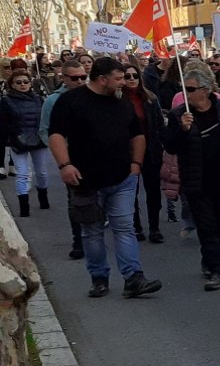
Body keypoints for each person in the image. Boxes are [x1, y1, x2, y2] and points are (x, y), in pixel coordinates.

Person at [47, 57, 162, 298]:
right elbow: (56, 134)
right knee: (92, 232)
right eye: (119, 78)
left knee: (124, 227)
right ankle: (99, 277)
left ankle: (133, 278)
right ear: (102, 79)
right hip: (85, 181)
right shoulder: (71, 101)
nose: (124, 83)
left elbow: (137, 135)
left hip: (122, 178)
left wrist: (136, 164)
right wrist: (64, 165)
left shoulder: (122, 103)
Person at [164, 63, 220, 291]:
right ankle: (218, 271)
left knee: (219, 223)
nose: (186, 94)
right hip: (197, 181)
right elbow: (170, 146)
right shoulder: (179, 114)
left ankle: (209, 259)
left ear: (205, 90)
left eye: (191, 89)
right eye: (184, 89)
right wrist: (182, 130)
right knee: (206, 226)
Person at [42, 61, 88, 257]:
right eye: (75, 78)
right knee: (75, 200)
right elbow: (45, 131)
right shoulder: (53, 101)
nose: (80, 81)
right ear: (64, 79)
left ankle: (93, 237)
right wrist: (62, 156)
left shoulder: (93, 96)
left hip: (96, 156)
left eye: (83, 77)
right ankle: (78, 241)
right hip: (70, 159)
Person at [121, 62, 166, 243]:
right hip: (127, 153)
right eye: (127, 76)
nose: (132, 79)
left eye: (135, 76)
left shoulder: (150, 98)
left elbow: (159, 124)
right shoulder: (117, 100)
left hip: (151, 150)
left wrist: (166, 145)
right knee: (131, 190)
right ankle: (136, 226)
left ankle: (154, 227)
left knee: (153, 190)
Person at [0, 69, 48, 217]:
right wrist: (6, 140)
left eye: (26, 82)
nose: (23, 85)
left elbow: (45, 120)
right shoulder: (6, 101)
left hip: (38, 139)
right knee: (22, 174)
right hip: (18, 141)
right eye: (18, 82)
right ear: (12, 84)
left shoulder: (38, 99)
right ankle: (24, 207)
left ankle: (43, 199)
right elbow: (3, 123)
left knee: (41, 172)